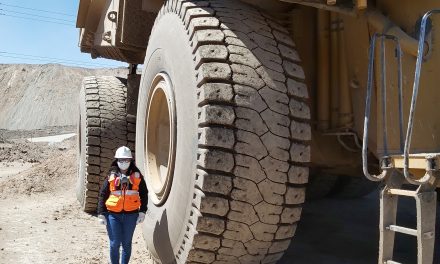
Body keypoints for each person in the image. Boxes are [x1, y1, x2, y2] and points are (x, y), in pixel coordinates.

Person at [97, 146, 148, 264]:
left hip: (131, 215)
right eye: (121, 160)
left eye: (127, 160)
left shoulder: (137, 176)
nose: (124, 163)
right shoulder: (111, 175)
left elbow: (144, 193)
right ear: (117, 160)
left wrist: (142, 211)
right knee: (114, 243)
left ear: (131, 161)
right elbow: (103, 194)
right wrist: (101, 213)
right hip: (113, 216)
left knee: (126, 243)